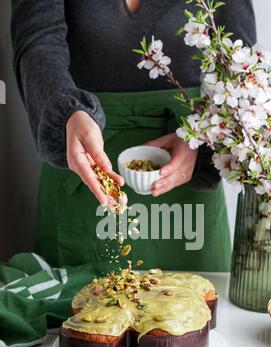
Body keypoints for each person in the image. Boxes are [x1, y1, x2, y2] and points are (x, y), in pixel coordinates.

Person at [11, 0, 256, 271]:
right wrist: (67, 113)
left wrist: (201, 143)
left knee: (199, 306)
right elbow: (37, 42)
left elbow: (241, 70)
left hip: (188, 181)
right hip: (81, 160)